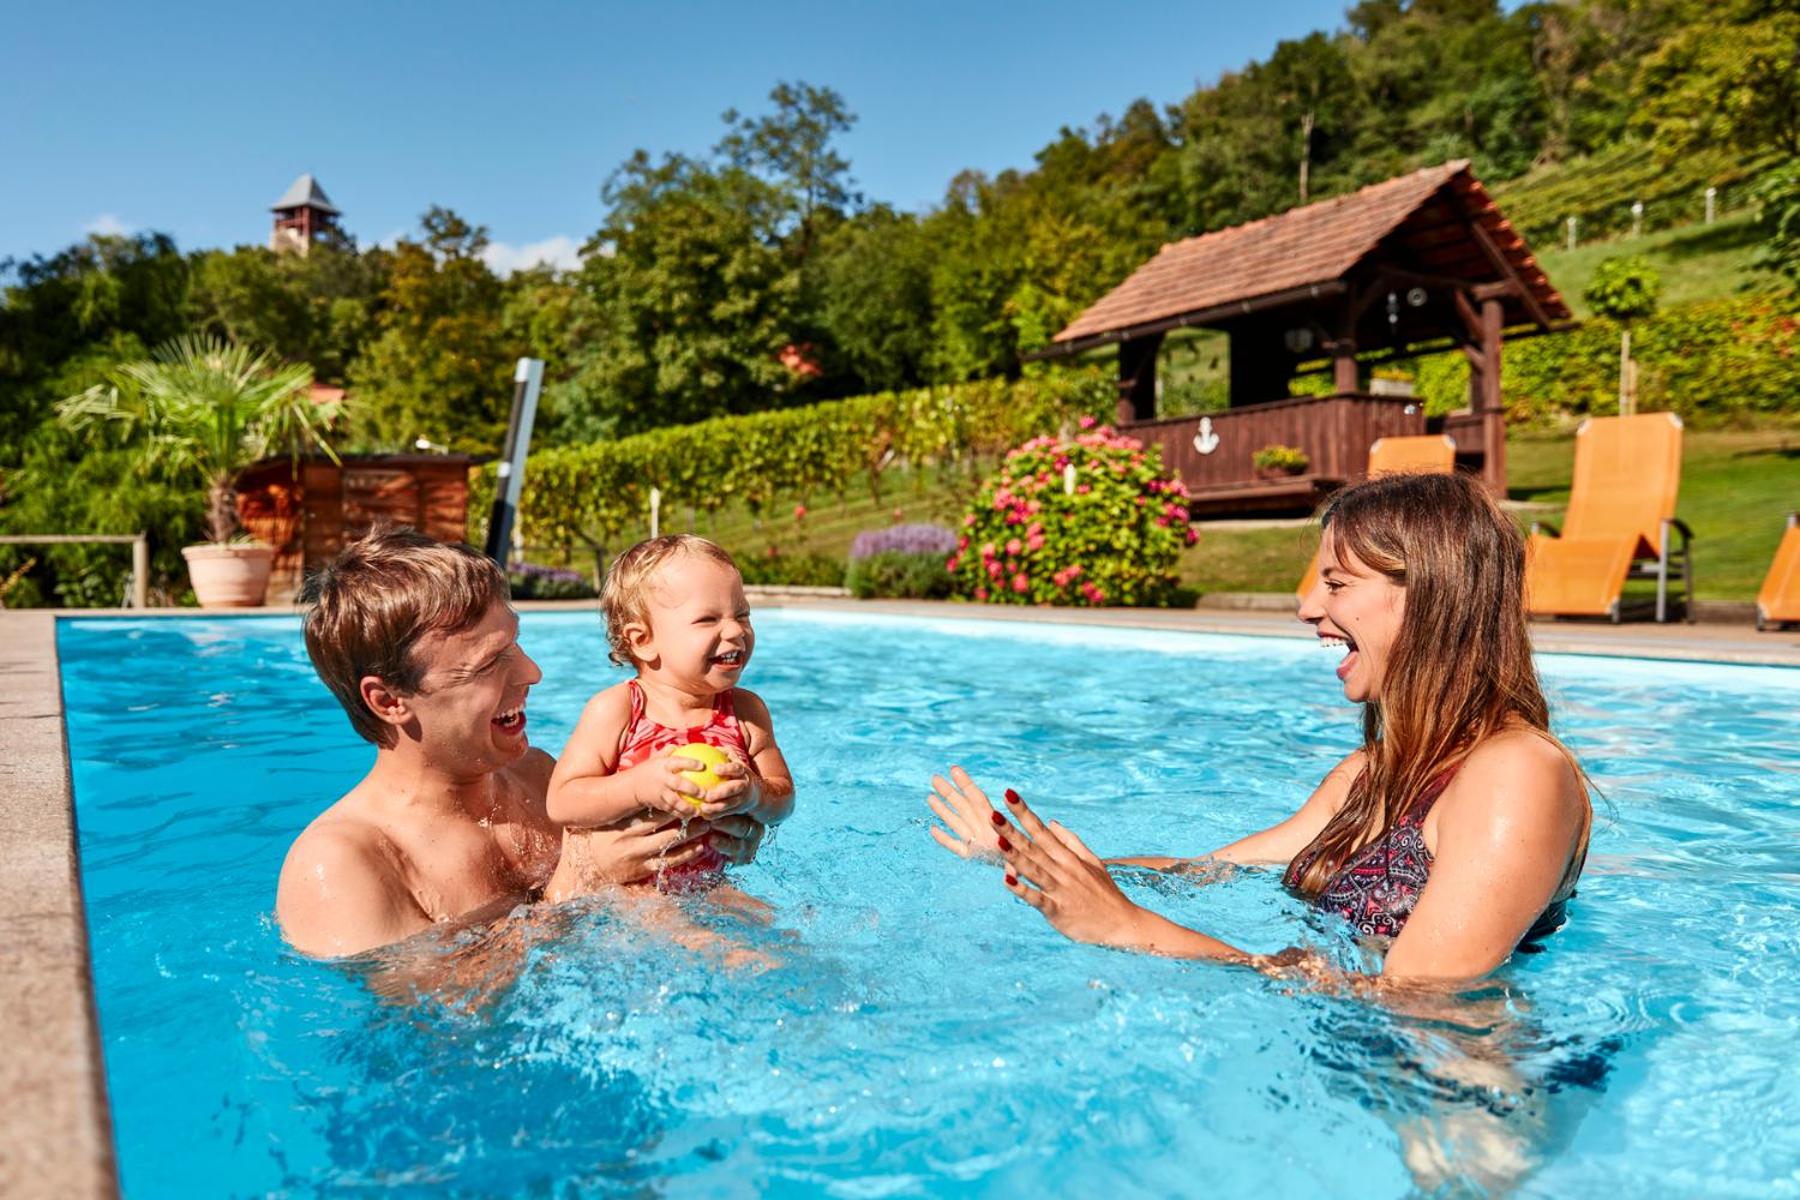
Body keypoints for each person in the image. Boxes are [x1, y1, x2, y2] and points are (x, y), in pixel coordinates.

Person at [926, 471, 1593, 987]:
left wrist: (1132, 930)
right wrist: (1027, 857)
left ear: (1430, 594)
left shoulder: (1517, 773)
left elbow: (1418, 1002)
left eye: (1337, 584)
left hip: (1458, 1102)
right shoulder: (1366, 776)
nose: (1308, 607)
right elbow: (1203, 871)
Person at [275, 529, 767, 958]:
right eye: (490, 662)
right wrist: (579, 884)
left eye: (515, 643)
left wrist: (712, 835)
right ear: (388, 700)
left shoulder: (538, 776)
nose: (532, 671)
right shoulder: (344, 865)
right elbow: (439, 1019)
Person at [544, 535, 794, 902]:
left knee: (771, 924)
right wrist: (638, 787)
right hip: (631, 893)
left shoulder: (745, 712)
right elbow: (562, 801)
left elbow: (783, 799)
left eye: (742, 615)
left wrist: (754, 793)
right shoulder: (619, 710)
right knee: (690, 931)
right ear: (642, 640)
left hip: (708, 887)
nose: (736, 630)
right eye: (708, 619)